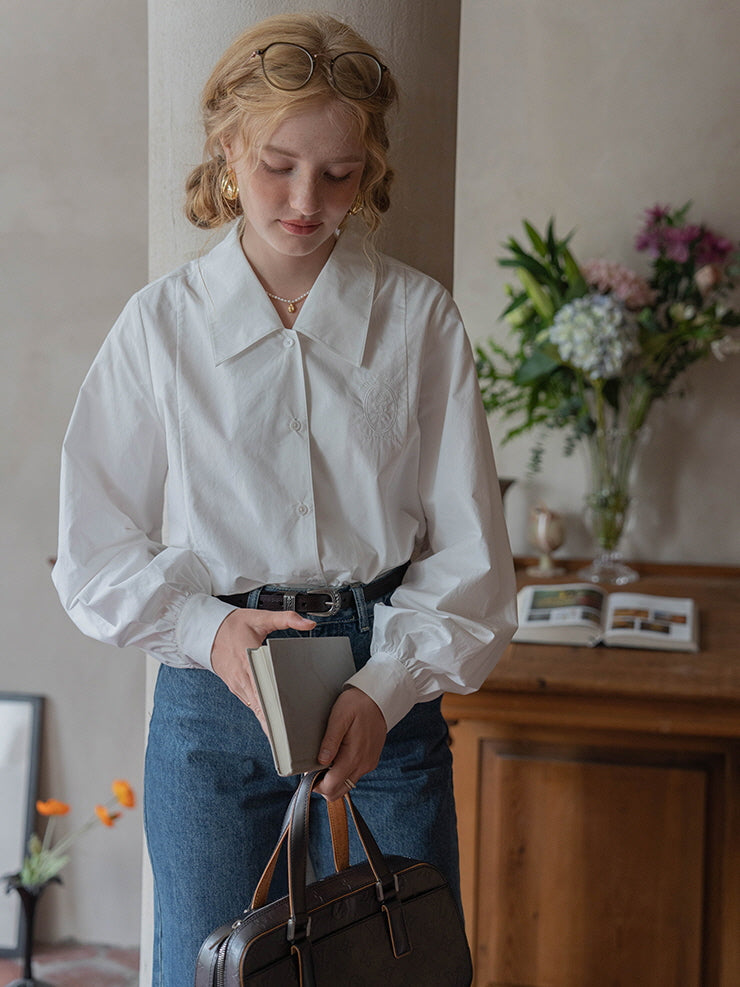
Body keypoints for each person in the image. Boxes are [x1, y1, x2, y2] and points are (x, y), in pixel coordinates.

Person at [52, 12, 517, 986]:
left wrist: (383, 687)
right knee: (208, 972)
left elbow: (470, 555)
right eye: (277, 164)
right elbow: (94, 548)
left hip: (384, 694)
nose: (306, 200)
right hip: (215, 708)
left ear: (368, 168)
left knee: (401, 968)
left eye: (338, 173)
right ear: (227, 149)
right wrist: (201, 627)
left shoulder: (420, 322)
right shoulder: (159, 330)